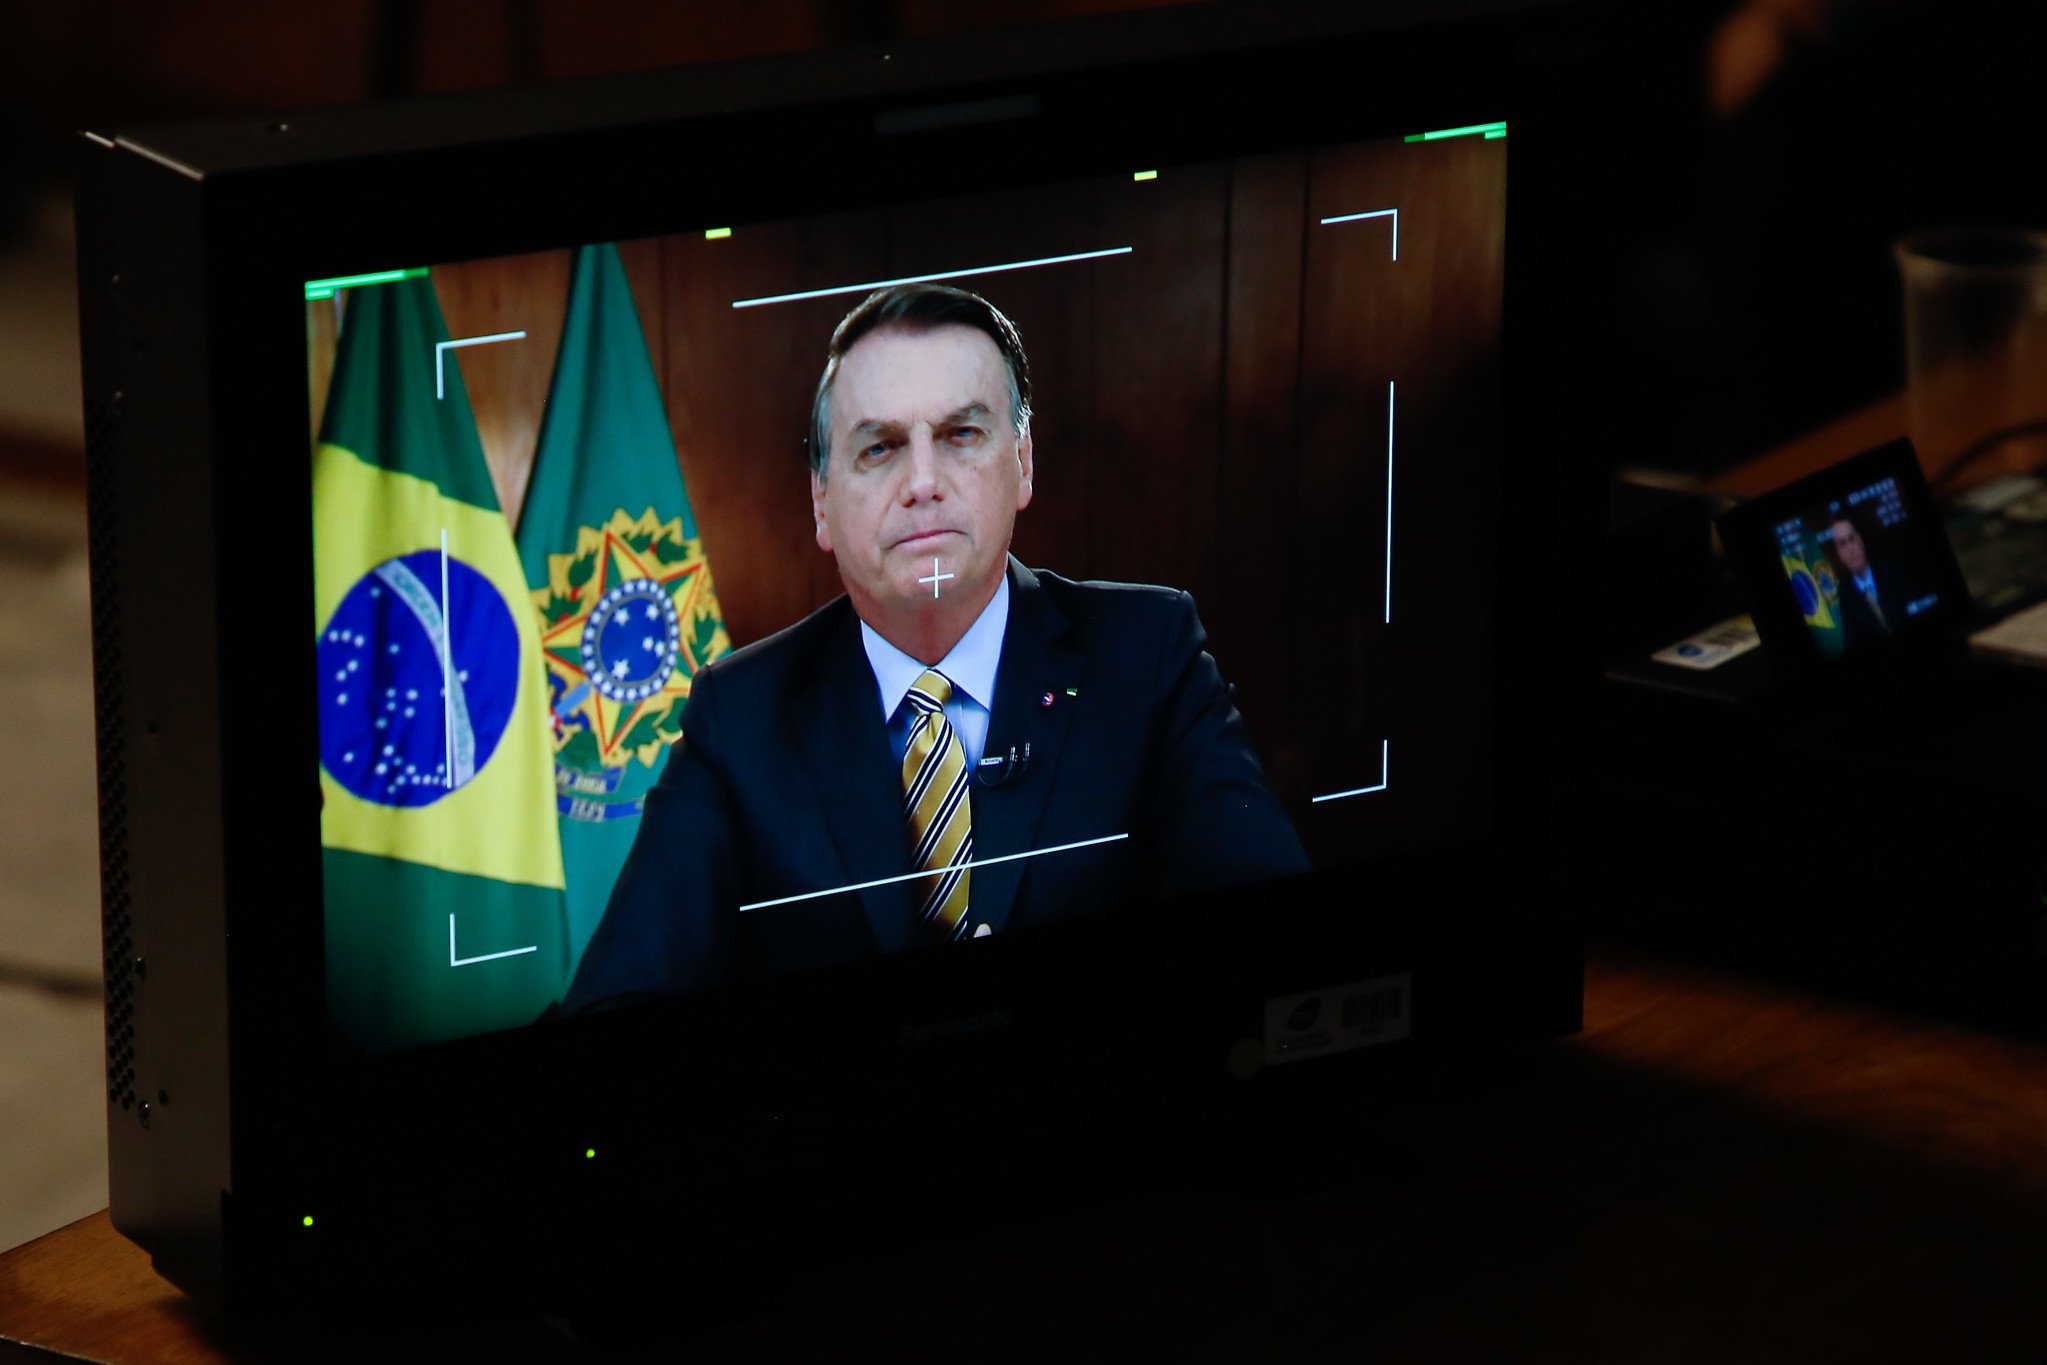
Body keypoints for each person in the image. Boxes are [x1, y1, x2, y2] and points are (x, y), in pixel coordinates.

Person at [564, 283, 1305, 1008]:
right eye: (880, 447)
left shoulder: (1146, 653)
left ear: (1023, 464)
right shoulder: (739, 713)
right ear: (822, 501)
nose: (922, 482)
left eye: (960, 435)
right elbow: (619, 1002)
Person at [1826, 510, 1905, 647]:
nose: (1850, 548)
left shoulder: (1889, 571)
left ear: (1860, 540)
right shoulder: (1843, 595)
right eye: (1843, 543)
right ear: (1839, 554)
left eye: (1852, 538)